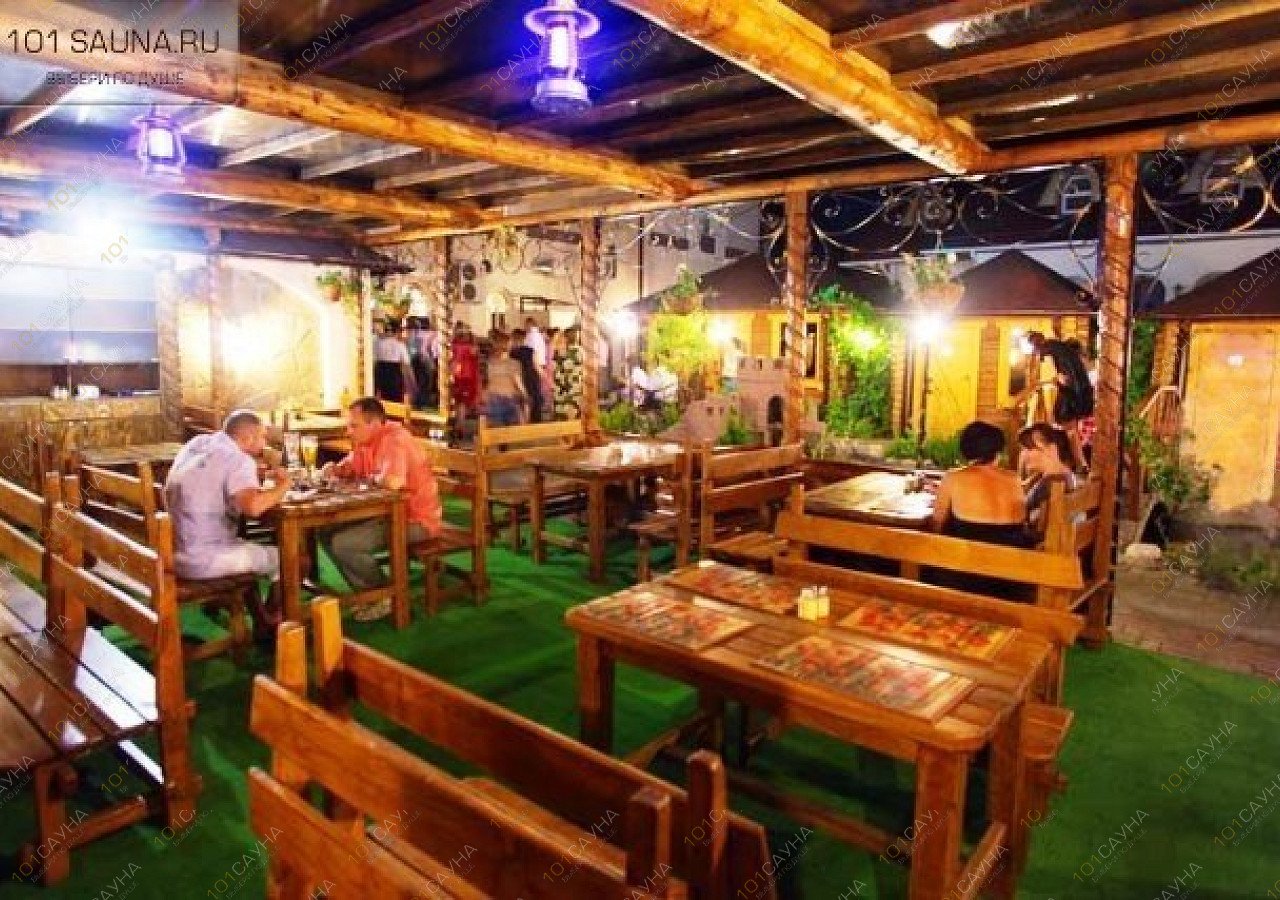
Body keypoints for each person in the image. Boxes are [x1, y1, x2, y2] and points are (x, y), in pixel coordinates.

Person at [164, 410, 289, 638]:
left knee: (248, 549)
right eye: (262, 436)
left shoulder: (197, 444)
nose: (265, 443)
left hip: (174, 552)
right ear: (247, 438)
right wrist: (283, 486)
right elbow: (253, 508)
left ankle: (262, 619)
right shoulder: (239, 460)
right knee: (289, 557)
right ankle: (271, 623)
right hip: (204, 559)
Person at [320, 397, 443, 621]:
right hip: (385, 514)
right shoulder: (366, 441)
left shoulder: (395, 440)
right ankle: (368, 594)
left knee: (344, 544)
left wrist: (369, 479)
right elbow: (350, 467)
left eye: (354, 426)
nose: (348, 431)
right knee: (325, 530)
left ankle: (385, 595)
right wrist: (334, 469)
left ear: (374, 424)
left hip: (415, 520)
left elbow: (393, 482)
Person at [930, 421, 1032, 548]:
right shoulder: (1014, 479)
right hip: (1012, 556)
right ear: (998, 451)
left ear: (965, 448)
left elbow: (937, 523)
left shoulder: (953, 477)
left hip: (966, 557)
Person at [1027, 332, 1093, 471]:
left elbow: (1060, 377)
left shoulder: (1051, 351)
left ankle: (1079, 464)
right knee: (1070, 431)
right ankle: (1080, 464)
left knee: (1069, 431)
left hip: (1069, 397)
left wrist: (1056, 380)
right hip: (1075, 396)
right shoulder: (1060, 350)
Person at [1018, 423, 1083, 534]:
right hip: (1064, 539)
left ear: (1052, 449)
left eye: (1030, 448)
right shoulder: (1067, 475)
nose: (1024, 454)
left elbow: (1025, 518)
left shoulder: (1051, 484)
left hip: (1046, 542)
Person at [482, 332, 528, 426]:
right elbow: (518, 382)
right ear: (507, 345)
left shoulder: (490, 363)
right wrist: (525, 395)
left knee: (496, 430)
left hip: (493, 398)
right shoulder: (514, 363)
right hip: (509, 399)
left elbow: (487, 381)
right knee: (512, 431)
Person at [373, 320, 414, 403]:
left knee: (382, 398)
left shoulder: (377, 343)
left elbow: (374, 356)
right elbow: (406, 363)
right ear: (396, 332)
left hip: (380, 370)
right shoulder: (400, 344)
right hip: (394, 372)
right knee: (396, 399)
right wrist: (411, 381)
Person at [511, 327, 544, 424]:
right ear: (524, 338)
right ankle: (532, 423)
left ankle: (523, 423)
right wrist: (543, 377)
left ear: (513, 338)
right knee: (532, 401)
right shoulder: (531, 350)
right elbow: (537, 367)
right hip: (531, 378)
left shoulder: (511, 353)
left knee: (521, 403)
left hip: (519, 377)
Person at [554, 326, 586, 420]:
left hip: (563, 388)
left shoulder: (561, 352)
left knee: (563, 415)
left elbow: (558, 371)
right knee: (573, 413)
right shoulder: (581, 351)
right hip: (575, 387)